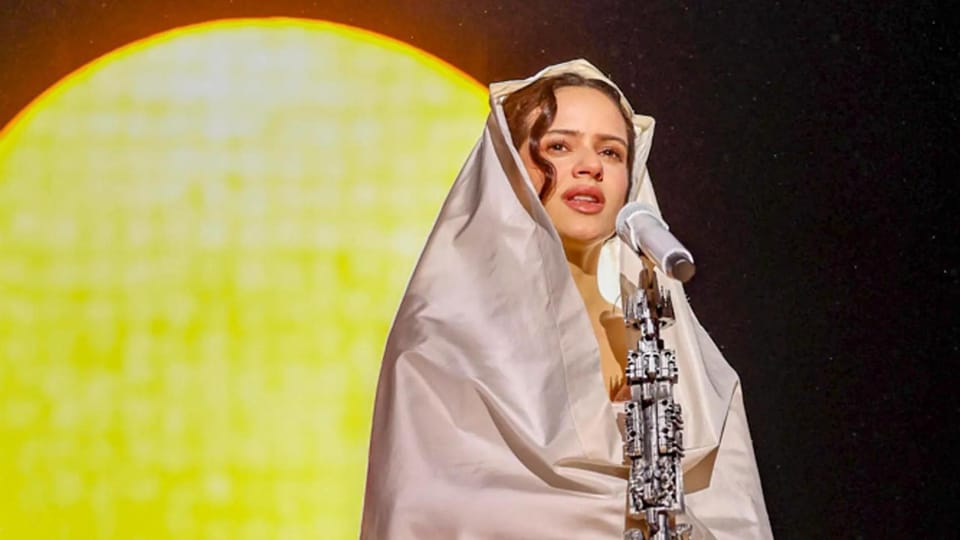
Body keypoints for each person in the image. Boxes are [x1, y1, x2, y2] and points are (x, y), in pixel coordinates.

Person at [360, 59, 773, 539]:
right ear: (509, 169)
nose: (590, 167)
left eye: (612, 153)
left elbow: (730, 511)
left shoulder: (669, 346)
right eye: (559, 145)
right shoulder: (445, 338)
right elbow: (431, 512)